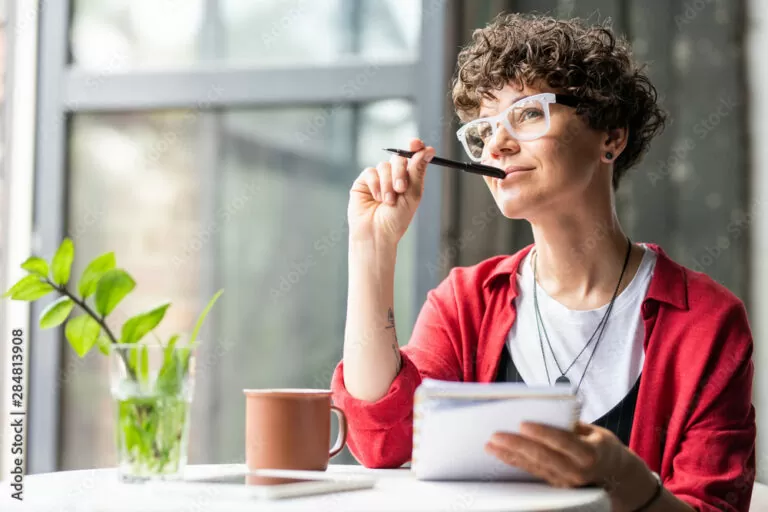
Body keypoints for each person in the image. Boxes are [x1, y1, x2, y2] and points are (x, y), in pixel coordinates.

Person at [330, 12, 756, 512]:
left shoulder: (707, 322)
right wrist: (372, 248)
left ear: (611, 136)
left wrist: (624, 480)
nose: (498, 144)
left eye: (528, 114)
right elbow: (383, 442)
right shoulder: (466, 302)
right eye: (483, 130)